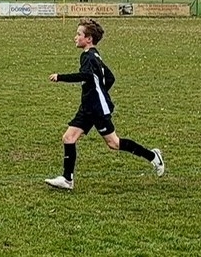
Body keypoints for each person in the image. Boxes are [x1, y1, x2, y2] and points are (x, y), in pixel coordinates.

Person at [44, 18, 165, 190]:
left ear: (89, 39)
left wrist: (60, 77)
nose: (75, 37)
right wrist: (98, 92)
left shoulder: (88, 56)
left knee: (114, 143)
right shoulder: (95, 55)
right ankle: (67, 179)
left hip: (96, 109)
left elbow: (86, 76)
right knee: (68, 138)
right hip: (88, 107)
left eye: (78, 34)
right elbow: (110, 78)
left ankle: (153, 156)